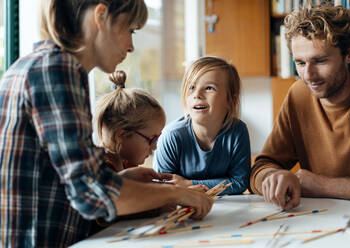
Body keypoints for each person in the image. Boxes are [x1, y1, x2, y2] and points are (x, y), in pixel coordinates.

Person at [0, 1, 213, 247]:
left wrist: (123, 180)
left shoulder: (34, 64)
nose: (131, 46)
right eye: (130, 30)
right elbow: (91, 194)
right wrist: (176, 193)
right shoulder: (57, 69)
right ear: (101, 16)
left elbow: (65, 178)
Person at [250, 3, 350, 211]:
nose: (308, 75)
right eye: (300, 63)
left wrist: (323, 185)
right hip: (323, 220)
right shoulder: (299, 95)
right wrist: (272, 178)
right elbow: (262, 167)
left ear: (349, 54)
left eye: (320, 61)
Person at [153, 56, 251, 195]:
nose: (197, 94)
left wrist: (189, 184)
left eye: (209, 88)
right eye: (191, 87)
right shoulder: (171, 136)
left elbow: (240, 182)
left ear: (231, 100)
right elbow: (164, 187)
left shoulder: (238, 132)